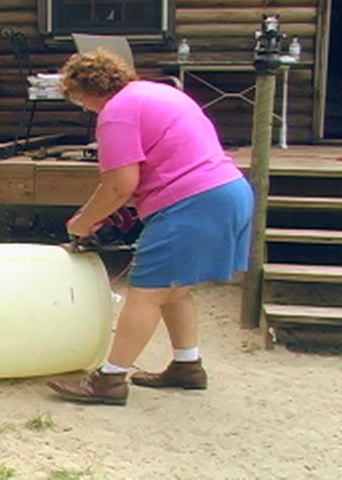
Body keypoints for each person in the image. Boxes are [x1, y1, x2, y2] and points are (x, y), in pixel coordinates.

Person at [47, 49, 254, 406]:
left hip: (192, 201)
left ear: (85, 91)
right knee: (174, 290)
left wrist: (82, 222)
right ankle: (187, 366)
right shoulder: (159, 92)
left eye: (79, 101)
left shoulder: (116, 113)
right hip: (228, 191)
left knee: (145, 292)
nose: (84, 109)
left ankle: (109, 381)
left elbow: (120, 185)